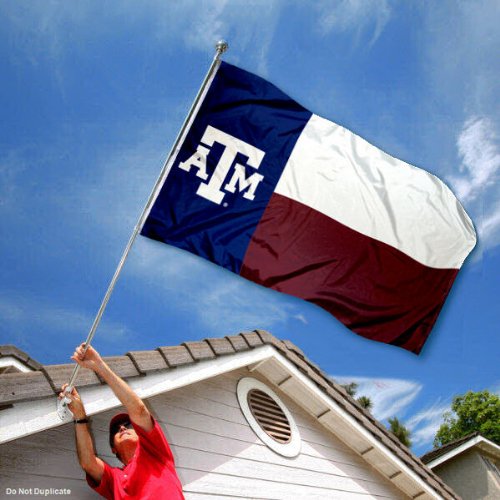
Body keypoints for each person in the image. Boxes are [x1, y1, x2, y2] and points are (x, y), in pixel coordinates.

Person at [59, 343, 185, 499]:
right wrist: (79, 416)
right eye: (115, 431)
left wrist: (99, 365)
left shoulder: (156, 452)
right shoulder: (114, 479)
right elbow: (88, 463)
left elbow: (139, 411)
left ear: (141, 436)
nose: (122, 428)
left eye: (128, 425)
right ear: (113, 449)